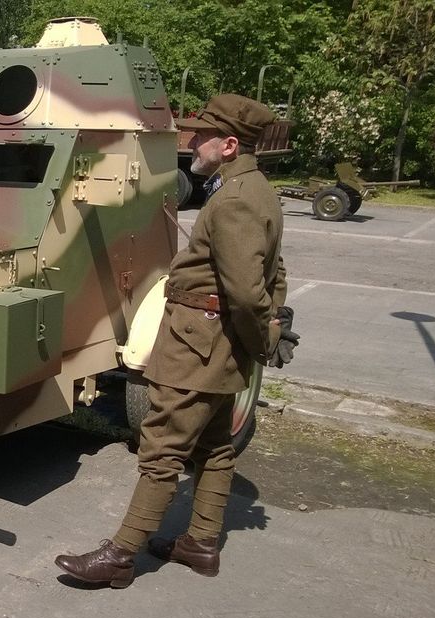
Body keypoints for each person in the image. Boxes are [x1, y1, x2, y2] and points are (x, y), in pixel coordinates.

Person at [54, 94, 292, 588]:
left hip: (197, 346)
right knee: (215, 446)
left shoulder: (235, 200)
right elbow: (275, 272)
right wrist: (263, 332)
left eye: (202, 136)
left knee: (161, 450)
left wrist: (262, 340)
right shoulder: (255, 190)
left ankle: (121, 556)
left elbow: (247, 292)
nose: (192, 142)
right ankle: (200, 543)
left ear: (229, 145)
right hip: (217, 344)